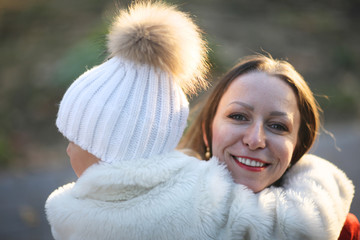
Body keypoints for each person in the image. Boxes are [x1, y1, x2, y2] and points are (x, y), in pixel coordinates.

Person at [179, 54, 358, 239]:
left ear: (297, 146)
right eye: (239, 116)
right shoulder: (154, 217)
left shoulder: (342, 232)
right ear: (207, 129)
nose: (255, 140)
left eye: (278, 126)